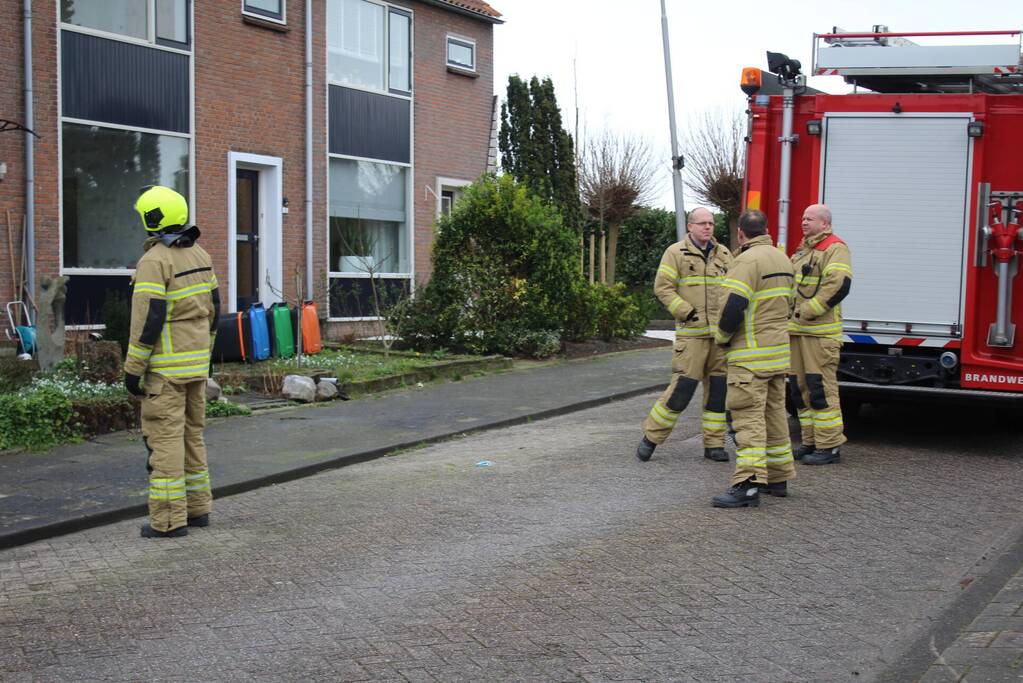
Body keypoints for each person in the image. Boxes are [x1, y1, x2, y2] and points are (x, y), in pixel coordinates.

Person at [124, 186, 220, 538]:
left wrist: (133, 369)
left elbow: (147, 321)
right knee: (193, 437)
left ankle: (167, 521)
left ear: (153, 219)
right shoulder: (201, 255)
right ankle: (197, 509)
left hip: (164, 372)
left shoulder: (154, 261)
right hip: (195, 367)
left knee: (164, 441)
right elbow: (214, 311)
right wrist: (206, 361)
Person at [711, 209, 795, 508]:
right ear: (766, 229)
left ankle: (746, 485)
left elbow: (734, 306)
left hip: (749, 358)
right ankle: (778, 477)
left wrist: (721, 337)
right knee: (774, 417)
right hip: (777, 355)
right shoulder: (782, 258)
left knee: (747, 420)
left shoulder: (745, 261)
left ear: (740, 234)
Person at [636, 207, 733, 463]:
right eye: (702, 223)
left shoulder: (724, 254)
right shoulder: (675, 253)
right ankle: (651, 437)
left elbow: (734, 288)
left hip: (719, 339)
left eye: (711, 223)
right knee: (681, 391)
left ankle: (714, 444)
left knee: (718, 394)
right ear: (690, 226)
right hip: (692, 336)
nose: (708, 228)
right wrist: (685, 311)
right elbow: (663, 288)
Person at [788, 204, 852, 465]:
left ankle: (830, 446)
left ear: (824, 224)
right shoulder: (803, 251)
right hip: (797, 331)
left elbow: (839, 286)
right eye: (803, 218)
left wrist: (808, 311)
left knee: (820, 389)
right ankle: (810, 441)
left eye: (809, 219)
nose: (803, 222)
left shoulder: (835, 248)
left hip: (819, 334)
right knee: (799, 389)